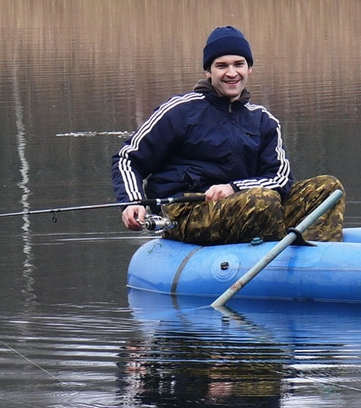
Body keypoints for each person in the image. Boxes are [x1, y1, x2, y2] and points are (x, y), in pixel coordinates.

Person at [112, 25, 344, 245]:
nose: (231, 73)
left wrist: (234, 187)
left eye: (238, 64)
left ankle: (315, 265)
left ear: (249, 68)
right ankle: (271, 260)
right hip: (186, 211)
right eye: (222, 66)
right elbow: (128, 158)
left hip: (250, 202)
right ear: (208, 70)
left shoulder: (263, 120)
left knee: (327, 189)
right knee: (262, 200)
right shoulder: (180, 111)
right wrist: (133, 201)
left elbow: (280, 179)